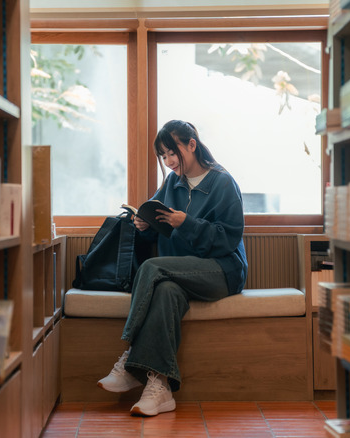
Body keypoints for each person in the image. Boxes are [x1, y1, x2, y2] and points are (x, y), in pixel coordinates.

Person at [97, 120, 248, 416]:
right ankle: (160, 388)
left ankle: (130, 358)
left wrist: (186, 223)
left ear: (192, 144)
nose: (169, 161)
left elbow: (227, 239)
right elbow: (161, 229)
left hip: (223, 270)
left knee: (153, 269)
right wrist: (144, 224)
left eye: (172, 152)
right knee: (165, 291)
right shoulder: (171, 183)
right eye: (163, 155)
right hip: (180, 274)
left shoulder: (222, 182)